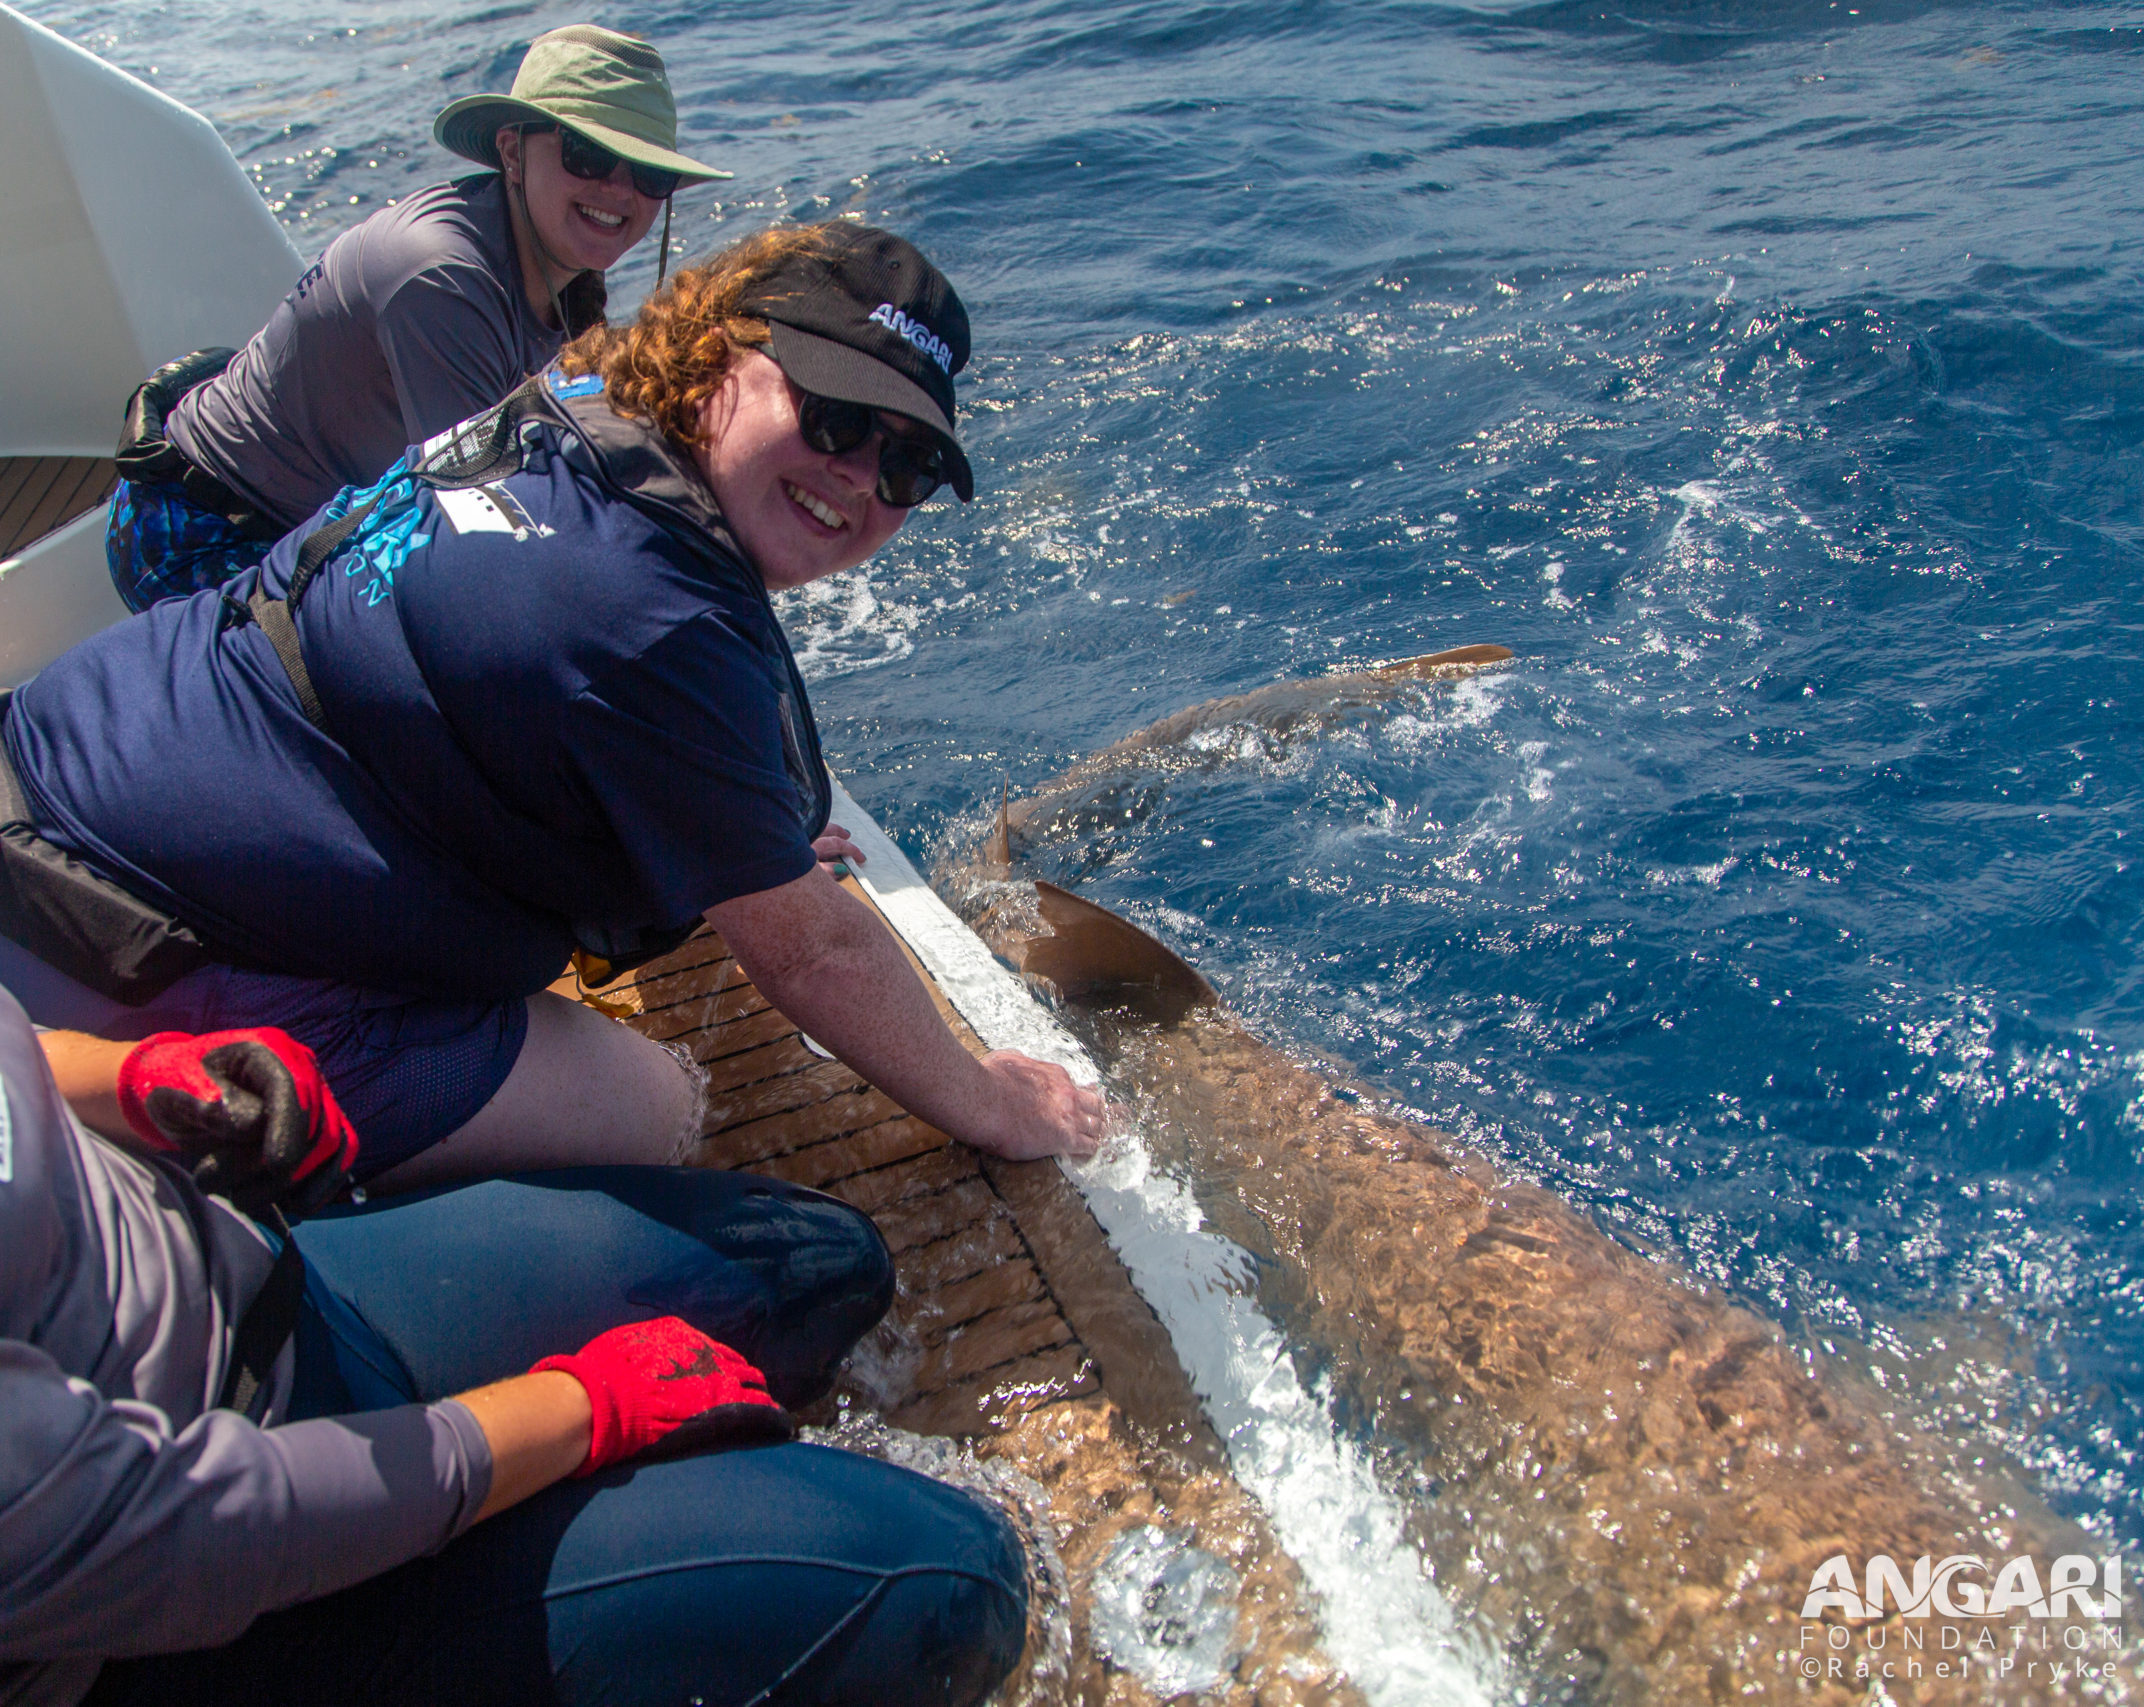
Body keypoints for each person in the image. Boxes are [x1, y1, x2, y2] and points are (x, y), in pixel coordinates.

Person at [1, 220, 1105, 1193]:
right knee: (644, 1103)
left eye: (907, 465)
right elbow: (815, 955)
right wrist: (999, 1102)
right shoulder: (650, 622)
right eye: (830, 417)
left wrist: (735, 834)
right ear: (723, 355)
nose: (860, 477)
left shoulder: (577, 408)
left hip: (52, 762)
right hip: (113, 946)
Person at [0, 989, 1027, 1707]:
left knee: (815, 1263)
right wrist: (588, 1410)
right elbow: (207, 1528)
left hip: (279, 1294)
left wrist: (137, 1078)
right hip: (196, 1612)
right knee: (953, 1587)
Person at [106, 24, 729, 612]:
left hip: (309, 522)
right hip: (199, 529)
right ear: (512, 152)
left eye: (647, 173)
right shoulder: (442, 277)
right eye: (588, 156)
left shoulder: (560, 267)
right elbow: (485, 527)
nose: (619, 190)